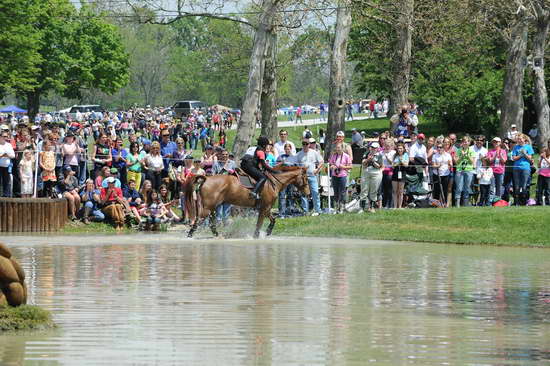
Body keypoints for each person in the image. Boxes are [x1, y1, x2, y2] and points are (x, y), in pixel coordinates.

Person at [240, 136, 279, 200]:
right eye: (267, 145)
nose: (267, 146)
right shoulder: (261, 151)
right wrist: (273, 171)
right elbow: (264, 165)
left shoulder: (251, 147)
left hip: (242, 164)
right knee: (263, 177)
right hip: (249, 166)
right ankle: (254, 192)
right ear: (264, 145)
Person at [295, 138, 323, 216]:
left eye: (306, 144)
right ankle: (305, 211)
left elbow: (321, 161)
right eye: (303, 144)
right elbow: (295, 164)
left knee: (315, 193)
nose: (305, 145)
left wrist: (317, 169)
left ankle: (317, 210)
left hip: (312, 176)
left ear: (309, 144)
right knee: (304, 194)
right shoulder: (299, 154)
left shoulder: (314, 152)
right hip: (303, 177)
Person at [328, 143, 352, 213]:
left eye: (339, 148)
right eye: (336, 148)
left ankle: (342, 207)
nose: (337, 149)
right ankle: (336, 207)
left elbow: (350, 166)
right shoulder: (334, 155)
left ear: (342, 148)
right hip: (334, 175)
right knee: (335, 191)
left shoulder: (346, 156)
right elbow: (331, 164)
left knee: (342, 192)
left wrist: (343, 167)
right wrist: (332, 166)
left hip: (342, 175)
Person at [511, 133, 534, 205]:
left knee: (524, 185)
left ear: (524, 139)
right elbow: (514, 158)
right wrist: (521, 155)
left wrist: (525, 154)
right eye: (518, 139)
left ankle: (524, 201)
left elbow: (530, 159)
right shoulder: (515, 147)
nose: (519, 140)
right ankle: (517, 202)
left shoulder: (528, 147)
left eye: (520, 139)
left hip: (525, 168)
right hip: (516, 168)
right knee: (517, 186)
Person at [360, 142, 383, 213]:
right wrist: (368, 160)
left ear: (377, 148)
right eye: (372, 147)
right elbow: (363, 163)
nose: (373, 149)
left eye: (375, 148)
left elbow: (379, 166)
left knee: (374, 190)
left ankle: (372, 207)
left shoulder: (379, 155)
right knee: (364, 189)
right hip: (366, 171)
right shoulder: (366, 153)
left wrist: (372, 161)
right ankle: (362, 208)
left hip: (376, 172)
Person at [454, 136, 476, 207]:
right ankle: (457, 204)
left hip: (469, 170)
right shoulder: (458, 150)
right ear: (462, 143)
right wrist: (461, 156)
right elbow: (456, 162)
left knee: (467, 188)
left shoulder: (472, 151)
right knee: (459, 187)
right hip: (460, 170)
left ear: (469, 143)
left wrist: (466, 155)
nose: (465, 143)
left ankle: (465, 204)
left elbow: (472, 161)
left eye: (466, 141)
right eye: (464, 142)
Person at [392, 142, 409, 209]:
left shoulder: (406, 155)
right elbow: (393, 166)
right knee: (395, 191)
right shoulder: (395, 155)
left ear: (403, 149)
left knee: (401, 191)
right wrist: (398, 162)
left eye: (401, 148)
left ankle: (399, 206)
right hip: (395, 173)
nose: (399, 150)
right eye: (398, 148)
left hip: (402, 173)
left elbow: (406, 165)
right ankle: (395, 206)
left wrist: (401, 161)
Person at [0, 132, 15, 197]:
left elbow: (13, 155)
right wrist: (1, 156)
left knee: (6, 181)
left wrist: (7, 155)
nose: (5, 138)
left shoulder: (9, 145)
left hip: (6, 166)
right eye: (4, 136)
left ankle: (6, 195)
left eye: (6, 136)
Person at [538, 139, 550, 205]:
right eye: (543, 152)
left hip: (548, 176)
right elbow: (539, 166)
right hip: (541, 175)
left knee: (547, 190)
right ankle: (539, 202)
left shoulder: (548, 157)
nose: (544, 153)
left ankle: (548, 202)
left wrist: (545, 158)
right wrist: (541, 159)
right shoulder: (541, 157)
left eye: (545, 152)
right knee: (540, 189)